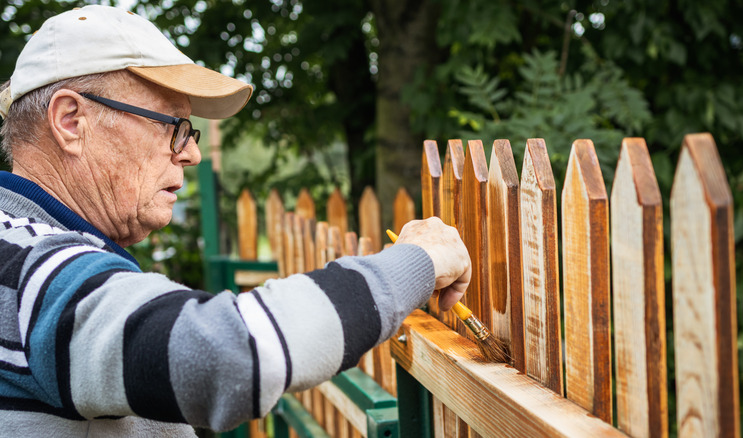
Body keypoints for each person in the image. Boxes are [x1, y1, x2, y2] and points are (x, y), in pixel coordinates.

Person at [0, 5, 470, 436]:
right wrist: (418, 262)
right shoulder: (28, 269)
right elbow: (225, 356)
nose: (192, 153)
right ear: (70, 120)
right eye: (172, 127)